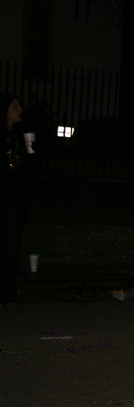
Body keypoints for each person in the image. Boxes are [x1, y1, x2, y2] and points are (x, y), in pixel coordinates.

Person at [1, 94, 36, 309]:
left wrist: (30, 150)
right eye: (14, 106)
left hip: (15, 199)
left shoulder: (20, 135)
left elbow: (32, 167)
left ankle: (7, 293)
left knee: (11, 245)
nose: (20, 109)